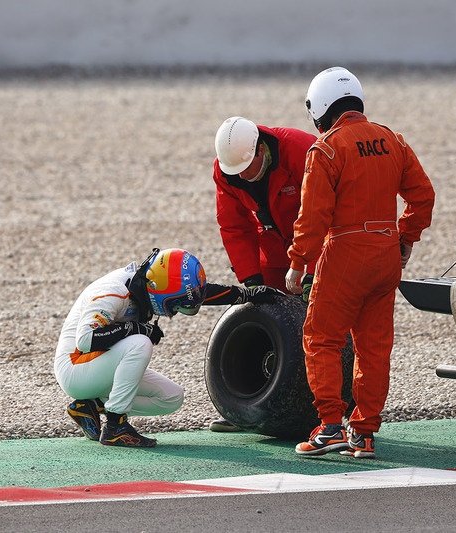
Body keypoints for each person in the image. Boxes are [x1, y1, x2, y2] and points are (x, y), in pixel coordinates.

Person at [285, 67, 435, 458]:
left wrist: (298, 262)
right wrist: (405, 238)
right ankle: (364, 432)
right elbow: (423, 197)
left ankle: (331, 427)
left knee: (322, 339)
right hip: (386, 254)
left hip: (345, 254)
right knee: (373, 347)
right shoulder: (392, 140)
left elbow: (312, 216)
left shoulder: (327, 149)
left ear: (320, 108)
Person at [54, 248, 281, 447]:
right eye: (175, 304)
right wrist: (137, 329)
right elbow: (86, 340)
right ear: (158, 290)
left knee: (172, 397)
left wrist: (246, 294)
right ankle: (115, 426)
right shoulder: (113, 293)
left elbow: (198, 294)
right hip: (75, 367)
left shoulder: (149, 284)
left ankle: (91, 405)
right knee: (140, 343)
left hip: (96, 363)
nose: (175, 311)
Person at [209, 116, 319, 432]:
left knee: (325, 325)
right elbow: (234, 226)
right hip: (273, 250)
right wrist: (251, 281)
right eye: (235, 171)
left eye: (247, 167)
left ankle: (331, 413)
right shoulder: (225, 170)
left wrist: (311, 269)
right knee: (264, 319)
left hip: (318, 244)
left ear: (261, 150)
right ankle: (252, 414)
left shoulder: (301, 150)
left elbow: (330, 212)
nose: (242, 176)